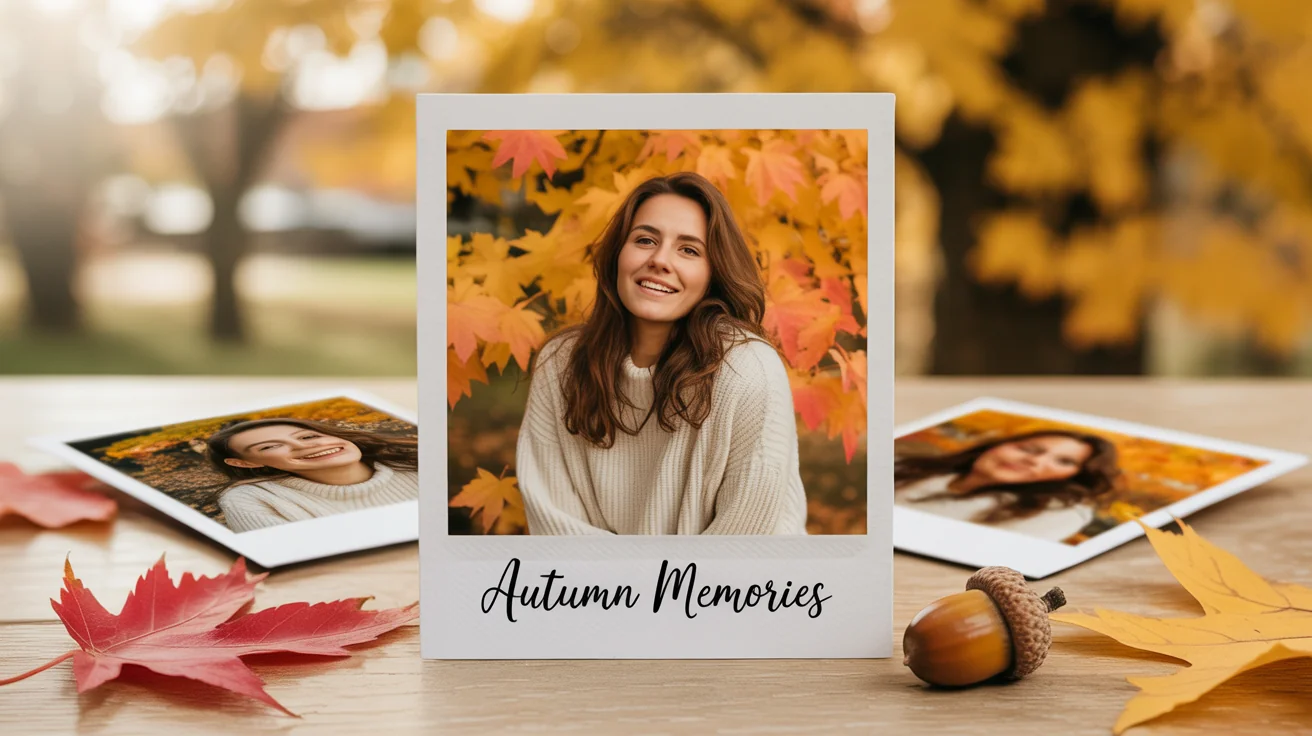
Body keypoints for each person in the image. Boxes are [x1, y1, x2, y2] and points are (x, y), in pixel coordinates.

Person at [516, 171, 808, 536]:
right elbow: (555, 525)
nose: (659, 260)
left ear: (713, 274)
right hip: (594, 590)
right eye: (645, 239)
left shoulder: (749, 371)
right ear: (617, 255)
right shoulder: (561, 364)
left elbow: (741, 548)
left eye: (688, 250)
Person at [894, 430, 1119, 543]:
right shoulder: (909, 467)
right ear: (998, 446)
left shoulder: (1057, 513)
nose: (1035, 461)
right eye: (1029, 449)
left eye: (1064, 462)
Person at [206, 418, 419, 533]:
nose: (303, 445)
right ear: (245, 463)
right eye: (270, 446)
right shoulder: (252, 498)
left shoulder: (415, 462)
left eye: (308, 436)